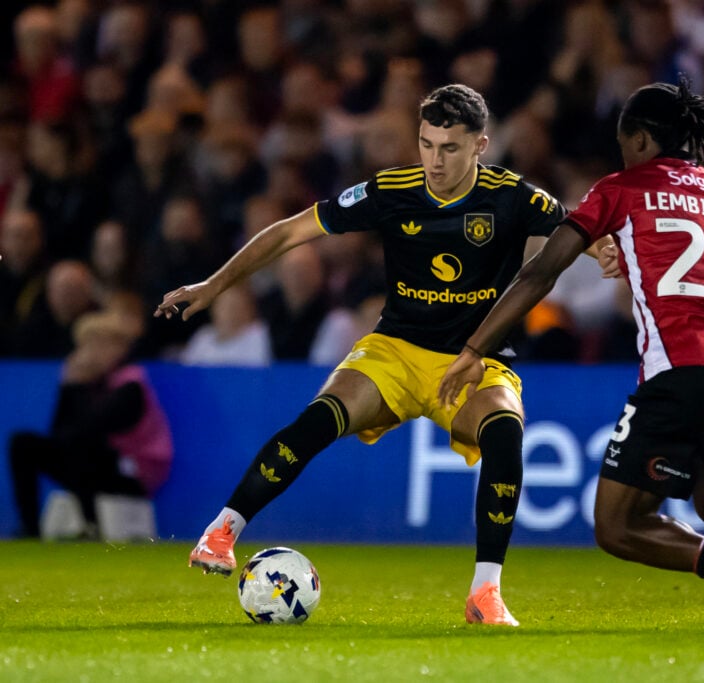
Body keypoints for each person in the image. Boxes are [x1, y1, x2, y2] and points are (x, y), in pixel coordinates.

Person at [155, 84, 595, 626]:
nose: (434, 160)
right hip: (393, 351)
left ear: (481, 145)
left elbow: (582, 229)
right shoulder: (392, 189)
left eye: (450, 148)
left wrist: (611, 248)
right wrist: (214, 285)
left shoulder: (513, 196)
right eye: (426, 143)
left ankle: (485, 593)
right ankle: (221, 533)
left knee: (505, 432)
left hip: (473, 358)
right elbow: (292, 231)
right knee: (318, 419)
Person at [439, 79, 704, 633]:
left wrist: (476, 346)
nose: (621, 154)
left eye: (624, 143)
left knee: (617, 526)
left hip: (681, 371)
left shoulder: (621, 188)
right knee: (698, 459)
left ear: (641, 139)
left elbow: (542, 271)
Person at [7, 309, 173, 538]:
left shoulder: (130, 384)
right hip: (96, 467)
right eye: (85, 346)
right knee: (23, 444)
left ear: (119, 347)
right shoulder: (93, 382)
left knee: (84, 449)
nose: (88, 354)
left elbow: (87, 430)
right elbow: (59, 434)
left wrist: (74, 386)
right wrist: (69, 385)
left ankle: (91, 524)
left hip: (132, 475)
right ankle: (30, 529)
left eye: (97, 345)